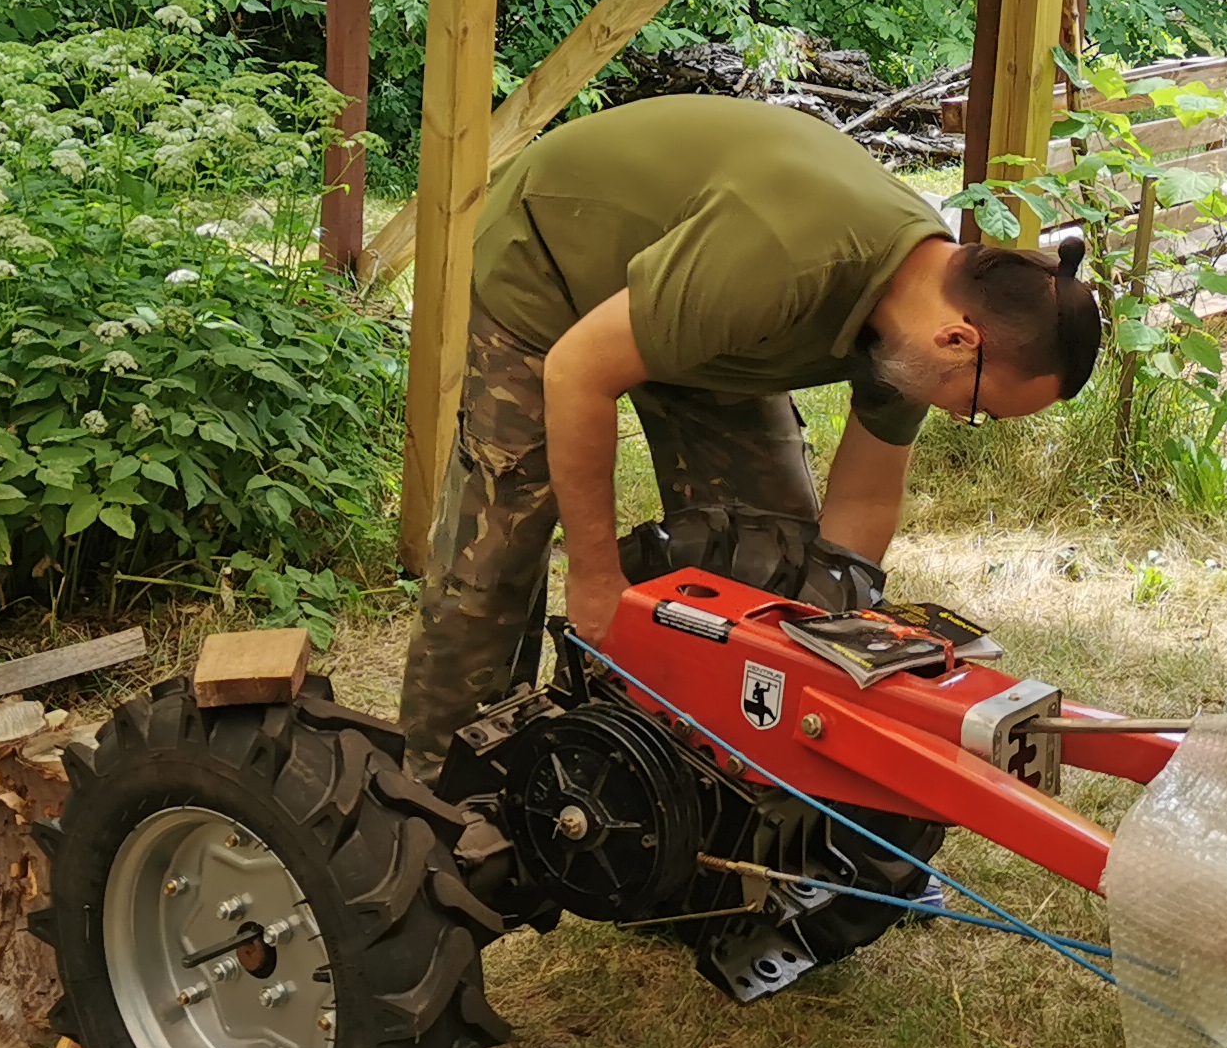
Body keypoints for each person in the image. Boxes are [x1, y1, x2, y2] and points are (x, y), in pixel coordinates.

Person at [397, 96, 1102, 772]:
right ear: (958, 340)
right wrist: (596, 578)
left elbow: (861, 509)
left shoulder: (920, 330)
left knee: (769, 549)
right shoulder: (788, 259)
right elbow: (578, 370)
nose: (959, 417)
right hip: (557, 257)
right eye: (978, 408)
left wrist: (833, 639)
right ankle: (436, 793)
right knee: (499, 542)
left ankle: (685, 770)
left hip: (700, 303)